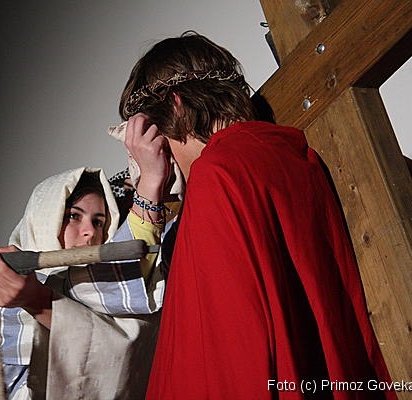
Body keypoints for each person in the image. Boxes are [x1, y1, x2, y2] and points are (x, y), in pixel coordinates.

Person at [119, 31, 397, 399]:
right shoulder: (301, 155)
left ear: (176, 104)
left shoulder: (217, 175)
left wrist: (151, 182)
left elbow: (230, 348)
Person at [0, 165, 180, 400]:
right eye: (73, 216)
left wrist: (39, 302)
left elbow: (122, 357)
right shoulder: (7, 287)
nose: (89, 232)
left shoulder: (113, 293)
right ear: (44, 218)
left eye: (98, 222)